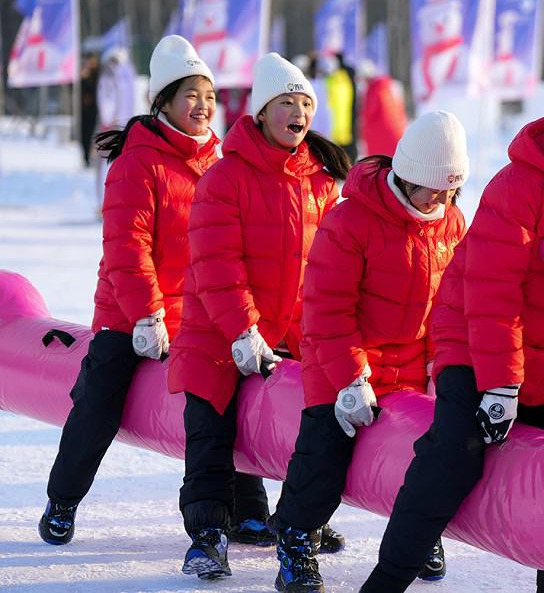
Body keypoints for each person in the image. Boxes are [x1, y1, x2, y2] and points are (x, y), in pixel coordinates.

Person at [361, 48, 544, 593]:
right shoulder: (519, 186)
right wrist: (501, 384)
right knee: (456, 454)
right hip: (475, 340)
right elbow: (492, 291)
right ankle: (389, 577)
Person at [167, 52, 352, 580]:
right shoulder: (224, 177)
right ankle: (208, 535)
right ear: (263, 112)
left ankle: (301, 518)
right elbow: (216, 263)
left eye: (306, 104)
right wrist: (241, 329)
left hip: (293, 331)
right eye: (287, 103)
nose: (299, 113)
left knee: (312, 423)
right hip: (217, 330)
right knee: (211, 428)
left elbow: (330, 267)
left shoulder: (322, 182)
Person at [269, 110, 469, 592]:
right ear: (407, 176)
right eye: (431, 190)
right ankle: (296, 537)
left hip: (411, 364)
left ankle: (417, 535)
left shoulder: (451, 223)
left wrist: (440, 366)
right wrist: (349, 379)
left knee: (427, 449)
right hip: (339, 358)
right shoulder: (350, 221)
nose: (440, 202)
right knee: (325, 449)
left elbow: (452, 304)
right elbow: (326, 309)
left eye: (450, 192)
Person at [38, 35, 219, 545]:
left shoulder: (218, 162)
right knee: (99, 402)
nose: (202, 106)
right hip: (128, 310)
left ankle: (245, 513)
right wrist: (146, 314)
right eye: (191, 95)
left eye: (208, 96)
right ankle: (62, 499)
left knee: (227, 400)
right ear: (163, 101)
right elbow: (126, 246)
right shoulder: (138, 161)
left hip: (196, 313)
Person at [95, 46, 136, 212]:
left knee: (106, 165)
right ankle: (122, 200)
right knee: (124, 165)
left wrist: (106, 121)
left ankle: (104, 203)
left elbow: (107, 97)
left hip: (111, 125)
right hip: (128, 125)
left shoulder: (109, 72)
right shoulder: (129, 72)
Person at [357, 59, 408, 157]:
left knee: (379, 161)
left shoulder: (374, 90)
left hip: (381, 134)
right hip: (395, 131)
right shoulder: (388, 86)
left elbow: (369, 113)